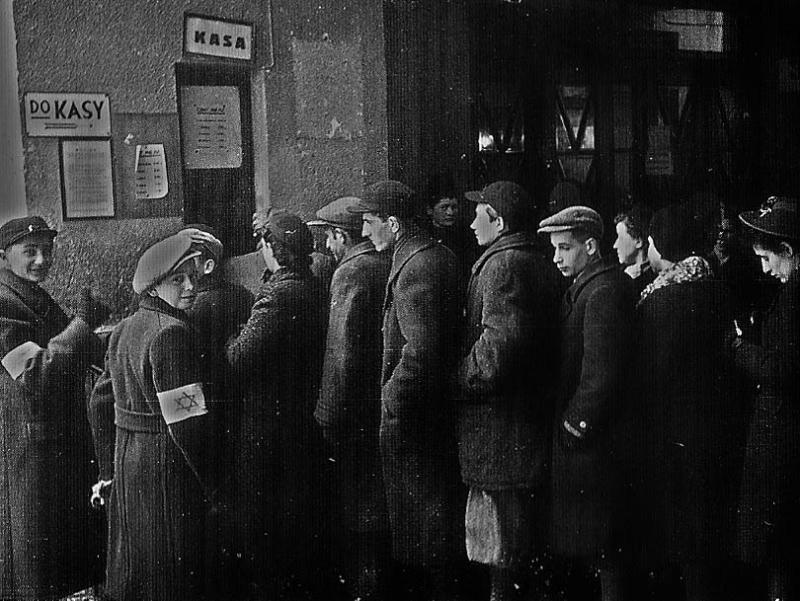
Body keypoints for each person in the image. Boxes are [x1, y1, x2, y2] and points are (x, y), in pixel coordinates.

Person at [349, 180, 464, 601]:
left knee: (426, 529)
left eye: (369, 222)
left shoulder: (415, 267)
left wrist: (391, 399)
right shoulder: (434, 255)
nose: (364, 232)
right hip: (431, 416)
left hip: (415, 420)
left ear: (393, 223)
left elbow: (422, 352)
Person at [88, 233, 217, 601]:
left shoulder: (126, 327)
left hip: (130, 461)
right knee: (172, 568)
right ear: (155, 286)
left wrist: (109, 470)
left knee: (140, 565)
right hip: (166, 464)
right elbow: (187, 425)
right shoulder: (172, 334)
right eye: (178, 279)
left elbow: (100, 402)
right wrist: (213, 483)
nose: (191, 286)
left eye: (193, 275)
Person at [634, 203, 747, 601]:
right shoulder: (715, 288)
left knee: (685, 544)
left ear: (659, 247)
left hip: (675, 440)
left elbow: (650, 376)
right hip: (715, 432)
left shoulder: (661, 302)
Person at [457, 182, 563, 601]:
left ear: (498, 221)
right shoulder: (535, 259)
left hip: (501, 432)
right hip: (522, 430)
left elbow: (496, 352)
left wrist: (457, 376)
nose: (470, 223)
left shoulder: (503, 266)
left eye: (478, 213)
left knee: (502, 552)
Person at [0, 216, 107, 600]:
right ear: (3, 256)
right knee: (36, 561)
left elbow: (72, 349)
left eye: (47, 250)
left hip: (54, 443)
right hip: (33, 450)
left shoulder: (33, 296)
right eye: (30, 252)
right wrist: (83, 323)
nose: (42, 260)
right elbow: (35, 373)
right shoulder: (4, 304)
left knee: (60, 556)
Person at [225, 210, 327, 600]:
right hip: (299, 415)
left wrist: (231, 338)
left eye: (264, 243)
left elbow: (238, 358)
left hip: (269, 423)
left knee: (265, 516)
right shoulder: (311, 285)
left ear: (274, 249)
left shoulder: (278, 296)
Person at [537, 206, 636, 601]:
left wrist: (572, 426)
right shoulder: (591, 286)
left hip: (597, 450)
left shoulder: (603, 293)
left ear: (591, 246)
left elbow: (600, 378)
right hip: (594, 451)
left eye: (564, 248)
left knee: (608, 553)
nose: (557, 257)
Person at [311, 196, 392, 601]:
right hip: (383, 405)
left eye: (328, 237)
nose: (327, 247)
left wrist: (326, 416)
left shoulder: (351, 273)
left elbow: (340, 354)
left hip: (355, 413)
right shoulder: (386, 262)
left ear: (340, 235)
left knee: (360, 511)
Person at [729, 197, 800, 601]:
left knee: (780, 553)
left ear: (787, 251)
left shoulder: (794, 296)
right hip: (784, 435)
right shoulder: (790, 291)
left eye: (768, 258)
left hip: (783, 438)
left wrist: (737, 347)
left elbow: (781, 368)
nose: (765, 269)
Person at [179, 224, 253, 599]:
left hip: (206, 413)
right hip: (236, 410)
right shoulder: (240, 294)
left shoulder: (196, 308)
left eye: (186, 263)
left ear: (206, 267)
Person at [422, 172, 479, 285]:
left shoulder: (467, 235)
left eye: (454, 207)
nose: (450, 212)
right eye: (444, 207)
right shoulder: (422, 235)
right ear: (430, 210)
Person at [612, 205, 655, 295]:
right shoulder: (620, 276)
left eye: (620, 238)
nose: (615, 245)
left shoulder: (653, 280)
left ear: (638, 242)